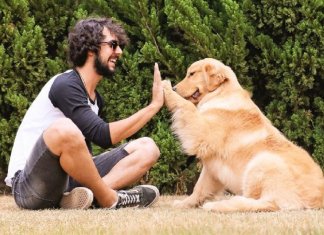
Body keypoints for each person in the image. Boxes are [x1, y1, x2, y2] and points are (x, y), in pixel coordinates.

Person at [4, 17, 164, 210]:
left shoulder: (96, 99)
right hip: (29, 186)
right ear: (91, 48)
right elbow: (102, 135)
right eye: (113, 45)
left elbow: (85, 153)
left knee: (148, 148)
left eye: (119, 45)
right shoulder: (65, 85)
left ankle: (85, 198)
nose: (119, 51)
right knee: (64, 129)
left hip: (66, 181)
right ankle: (111, 199)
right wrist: (153, 107)